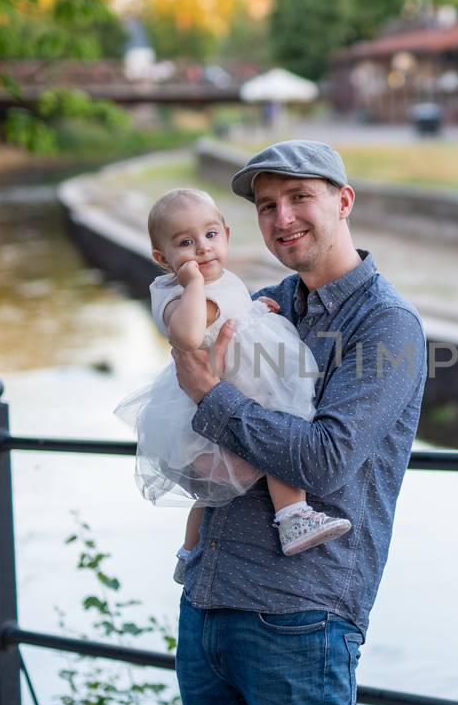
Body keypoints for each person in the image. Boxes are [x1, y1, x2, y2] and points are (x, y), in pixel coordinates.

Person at [172, 140, 426, 705]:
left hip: (300, 616)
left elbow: (322, 460)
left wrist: (211, 397)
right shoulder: (265, 308)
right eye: (265, 206)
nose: (282, 219)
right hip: (210, 601)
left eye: (299, 198)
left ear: (343, 201)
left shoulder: (388, 329)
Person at [115, 188, 352, 570]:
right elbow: (190, 336)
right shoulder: (174, 294)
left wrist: (253, 309)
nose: (202, 249)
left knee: (212, 495)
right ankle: (293, 516)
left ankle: (189, 553)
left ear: (225, 234)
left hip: (232, 385)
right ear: (163, 258)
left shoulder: (223, 279)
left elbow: (227, 315)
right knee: (282, 434)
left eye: (210, 235)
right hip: (223, 392)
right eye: (185, 243)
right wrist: (192, 285)